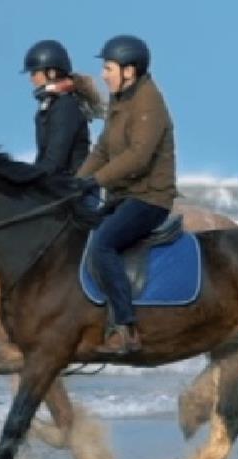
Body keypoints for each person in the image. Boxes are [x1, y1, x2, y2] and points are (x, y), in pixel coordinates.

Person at [72, 34, 177, 355]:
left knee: (103, 244)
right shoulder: (122, 99)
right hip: (123, 196)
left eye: (109, 68)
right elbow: (103, 149)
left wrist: (96, 181)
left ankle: (126, 327)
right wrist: (74, 184)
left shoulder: (149, 103)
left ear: (129, 71)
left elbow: (138, 157)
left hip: (150, 199)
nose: (103, 74)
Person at [21, 39, 104, 177]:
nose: (31, 79)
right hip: (58, 183)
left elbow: (54, 162)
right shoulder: (47, 108)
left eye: (34, 72)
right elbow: (43, 159)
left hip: (74, 186)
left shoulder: (65, 106)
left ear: (51, 73)